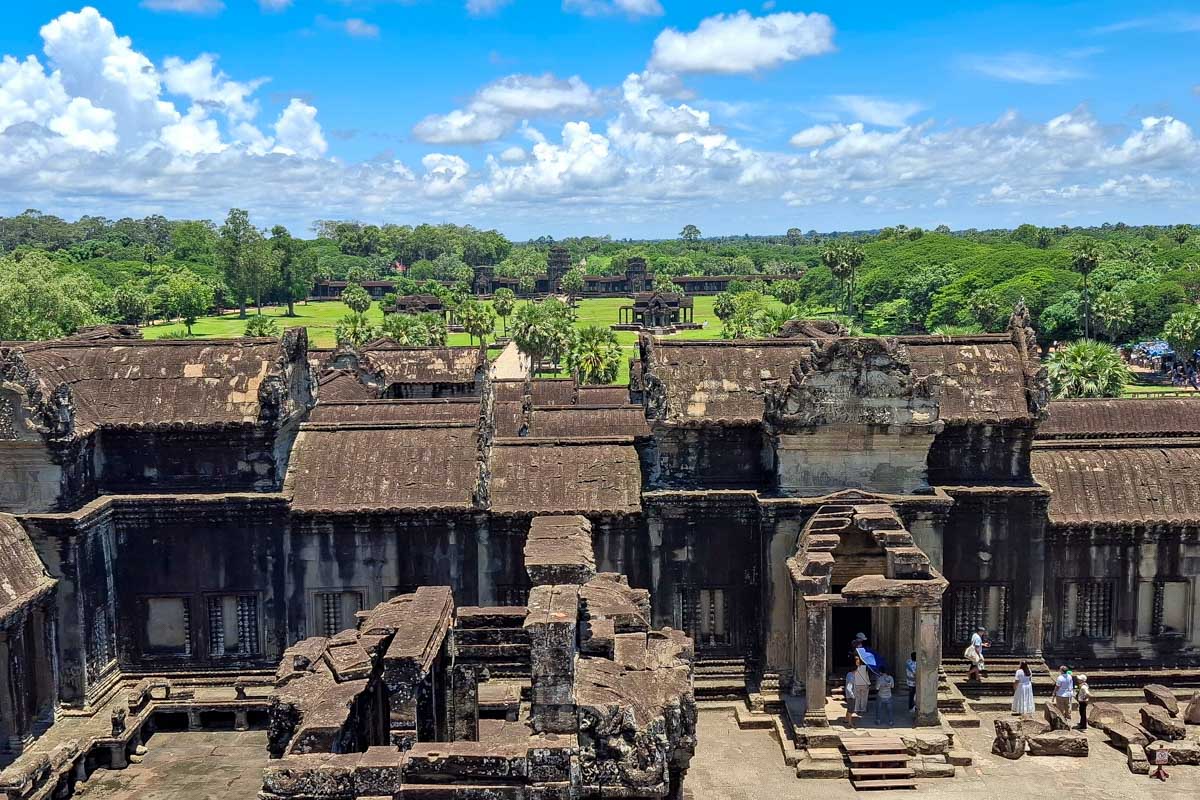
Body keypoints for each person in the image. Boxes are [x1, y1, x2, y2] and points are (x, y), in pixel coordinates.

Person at [852, 655, 871, 725]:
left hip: (857, 684)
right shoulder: (865, 668)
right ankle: (863, 709)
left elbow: (853, 677)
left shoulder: (854, 669)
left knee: (857, 697)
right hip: (864, 684)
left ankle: (857, 709)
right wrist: (869, 683)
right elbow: (867, 676)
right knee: (864, 698)